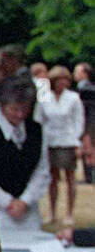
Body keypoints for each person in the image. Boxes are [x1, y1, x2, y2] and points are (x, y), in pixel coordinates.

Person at [0, 73, 49, 236]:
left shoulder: (37, 131)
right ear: (0, 103)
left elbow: (42, 170)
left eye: (25, 109)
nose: (20, 115)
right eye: (14, 109)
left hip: (28, 212)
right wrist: (7, 202)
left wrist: (25, 200)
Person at [40, 65, 83, 225]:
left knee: (70, 178)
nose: (63, 84)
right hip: (50, 142)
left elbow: (79, 121)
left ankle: (69, 213)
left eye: (66, 80)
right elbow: (40, 119)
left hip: (68, 141)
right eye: (60, 80)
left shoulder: (73, 97)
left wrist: (77, 142)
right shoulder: (44, 96)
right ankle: (52, 212)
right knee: (52, 179)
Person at [75, 61, 95, 185]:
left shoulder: (86, 89)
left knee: (89, 149)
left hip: (88, 124)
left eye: (77, 71)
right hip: (86, 123)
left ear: (84, 73)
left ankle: (90, 177)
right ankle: (88, 176)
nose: (74, 74)